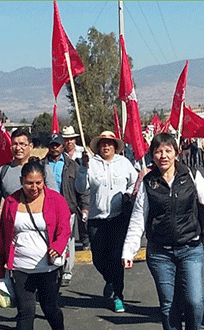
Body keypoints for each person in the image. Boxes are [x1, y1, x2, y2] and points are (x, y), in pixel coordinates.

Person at [122, 133, 204, 330]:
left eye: (168, 150)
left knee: (194, 301)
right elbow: (139, 219)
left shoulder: (190, 175)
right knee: (168, 304)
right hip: (160, 253)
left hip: (190, 248)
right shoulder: (149, 182)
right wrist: (129, 251)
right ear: (153, 155)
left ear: (177, 152)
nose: (163, 155)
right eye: (158, 151)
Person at [0, 159, 71, 330]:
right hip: (21, 267)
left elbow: (65, 228)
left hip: (47, 266)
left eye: (38, 183)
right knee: (25, 313)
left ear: (44, 182)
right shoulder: (11, 202)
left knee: (49, 307)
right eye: (29, 183)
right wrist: (0, 272)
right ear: (21, 182)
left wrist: (57, 247)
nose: (34, 188)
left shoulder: (55, 200)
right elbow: (3, 237)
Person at [75, 131, 138, 313]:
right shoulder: (90, 163)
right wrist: (83, 168)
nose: (106, 146)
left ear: (115, 146)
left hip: (118, 219)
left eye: (109, 143)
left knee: (116, 258)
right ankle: (109, 279)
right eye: (103, 143)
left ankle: (118, 295)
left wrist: (127, 196)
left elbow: (134, 182)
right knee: (98, 258)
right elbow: (81, 187)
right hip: (96, 219)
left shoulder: (124, 163)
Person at [0, 128, 57, 238]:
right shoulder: (2, 172)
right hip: (12, 231)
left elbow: (55, 198)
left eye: (22, 144)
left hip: (41, 229)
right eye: (15, 144)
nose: (18, 148)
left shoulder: (43, 168)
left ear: (31, 146)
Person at [43, 133, 89, 286]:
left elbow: (81, 189)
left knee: (67, 240)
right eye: (52, 144)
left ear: (62, 145)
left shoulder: (72, 165)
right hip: (47, 210)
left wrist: (84, 207)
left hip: (68, 209)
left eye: (57, 144)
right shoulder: (42, 165)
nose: (54, 147)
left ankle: (67, 271)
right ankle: (53, 267)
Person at [62, 125, 91, 250]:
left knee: (83, 216)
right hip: (68, 186)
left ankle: (85, 240)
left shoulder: (82, 152)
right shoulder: (60, 154)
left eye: (71, 139)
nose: (69, 142)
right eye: (66, 139)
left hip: (82, 185)